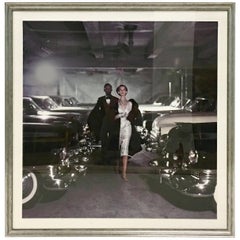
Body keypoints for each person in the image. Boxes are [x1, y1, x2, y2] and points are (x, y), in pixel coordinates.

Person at [114, 84, 142, 181]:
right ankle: (118, 168)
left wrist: (129, 117)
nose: (122, 91)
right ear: (118, 92)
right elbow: (112, 117)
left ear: (126, 91)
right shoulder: (115, 103)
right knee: (117, 148)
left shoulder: (130, 104)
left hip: (127, 127)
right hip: (117, 128)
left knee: (125, 149)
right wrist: (119, 115)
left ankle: (124, 173)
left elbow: (134, 115)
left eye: (124, 90)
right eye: (120, 90)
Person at [87, 83, 118, 163]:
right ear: (104, 90)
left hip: (113, 120)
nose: (108, 90)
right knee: (103, 135)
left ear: (111, 90)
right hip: (104, 120)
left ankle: (111, 153)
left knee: (112, 135)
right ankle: (104, 153)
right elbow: (96, 110)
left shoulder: (116, 99)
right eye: (106, 88)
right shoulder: (100, 99)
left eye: (109, 88)